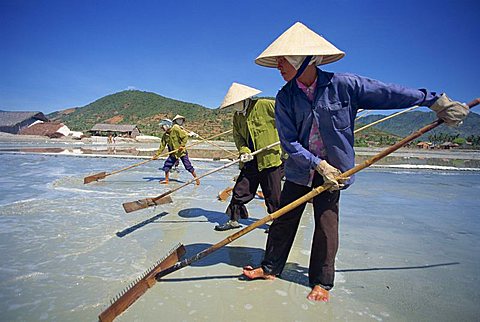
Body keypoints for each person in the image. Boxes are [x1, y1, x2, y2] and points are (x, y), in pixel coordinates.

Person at [242, 22, 469, 302]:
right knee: (284, 218)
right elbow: (289, 142)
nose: (278, 66)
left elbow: (389, 92)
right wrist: (317, 164)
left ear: (304, 60)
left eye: (283, 60)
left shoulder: (344, 86)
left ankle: (322, 282)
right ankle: (270, 268)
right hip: (302, 170)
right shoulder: (285, 97)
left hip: (335, 172)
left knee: (326, 225)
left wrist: (434, 101)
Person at [214, 83, 283, 231]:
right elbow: (238, 137)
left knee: (273, 195)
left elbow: (288, 118)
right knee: (239, 191)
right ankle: (233, 220)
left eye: (236, 103)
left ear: (245, 99)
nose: (234, 106)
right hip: (250, 160)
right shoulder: (237, 117)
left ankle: (276, 224)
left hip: (270, 159)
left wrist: (286, 139)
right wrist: (244, 151)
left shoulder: (266, 105)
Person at [154, 118, 200, 185]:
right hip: (173, 154)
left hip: (181, 152)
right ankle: (166, 180)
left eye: (162, 126)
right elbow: (162, 146)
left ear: (167, 125)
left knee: (188, 166)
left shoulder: (176, 129)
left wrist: (182, 145)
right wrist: (156, 155)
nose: (162, 128)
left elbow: (185, 137)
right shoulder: (165, 136)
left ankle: (196, 179)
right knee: (167, 166)